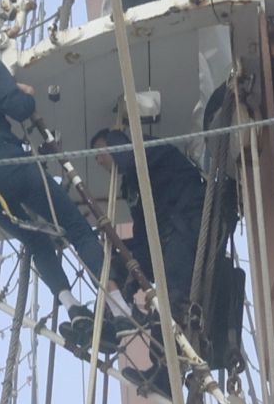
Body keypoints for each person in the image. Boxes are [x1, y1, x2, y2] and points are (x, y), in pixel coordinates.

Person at [0, 28, 114, 334]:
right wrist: (24, 93)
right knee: (76, 227)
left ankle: (72, 308)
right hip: (11, 164)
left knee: (36, 242)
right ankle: (118, 309)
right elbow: (19, 109)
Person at [90, 128, 244, 380]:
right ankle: (121, 315)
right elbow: (142, 237)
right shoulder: (131, 186)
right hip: (166, 239)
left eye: (100, 152)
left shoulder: (148, 151)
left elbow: (129, 157)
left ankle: (164, 374)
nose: (98, 160)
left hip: (187, 229)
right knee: (115, 264)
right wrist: (120, 254)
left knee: (172, 302)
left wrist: (119, 140)